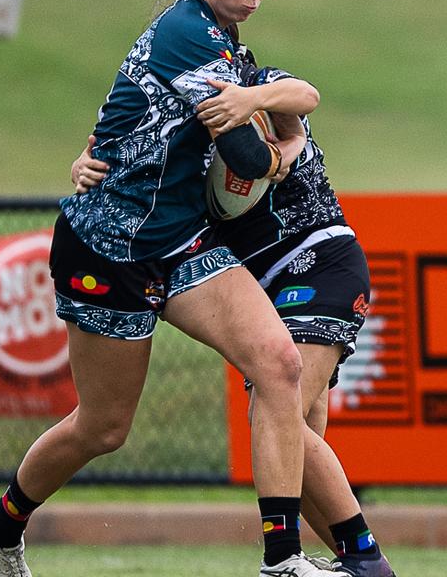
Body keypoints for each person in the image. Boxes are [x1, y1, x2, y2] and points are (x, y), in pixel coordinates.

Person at [0, 0, 352, 577]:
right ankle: (0, 521)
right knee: (104, 428)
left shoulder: (227, 46)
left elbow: (232, 111)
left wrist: (258, 109)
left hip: (180, 246)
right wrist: (279, 152)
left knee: (280, 364)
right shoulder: (186, 34)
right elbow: (242, 155)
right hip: (109, 249)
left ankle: (282, 559)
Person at [71, 52, 398, 577]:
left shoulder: (251, 88)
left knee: (277, 413)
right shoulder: (169, 133)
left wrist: (253, 97)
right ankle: (351, 562)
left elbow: (307, 94)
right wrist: (83, 166)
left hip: (320, 262)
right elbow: (113, 167)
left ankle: (365, 562)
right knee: (293, 441)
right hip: (263, 287)